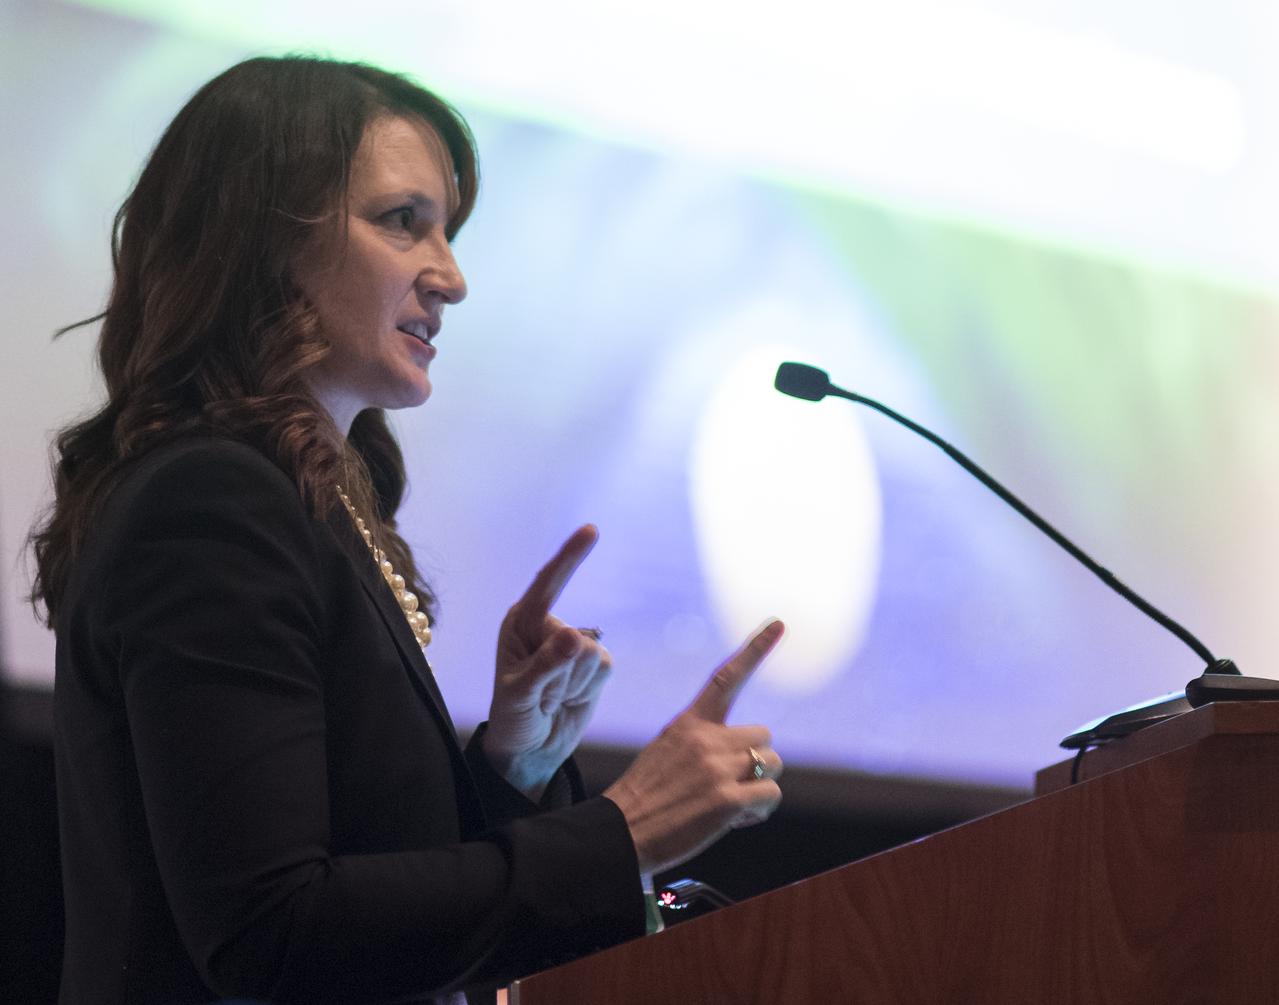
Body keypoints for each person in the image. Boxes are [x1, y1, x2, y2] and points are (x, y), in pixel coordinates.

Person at [30, 55, 784, 1005]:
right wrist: (625, 830)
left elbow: (368, 879)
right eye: (402, 222)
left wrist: (516, 762)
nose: (452, 277)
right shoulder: (211, 501)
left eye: (448, 231)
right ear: (266, 239)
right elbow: (272, 931)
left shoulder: (308, 504)